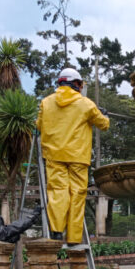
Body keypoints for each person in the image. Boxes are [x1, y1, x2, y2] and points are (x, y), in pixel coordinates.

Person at [36, 67, 109, 245]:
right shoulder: (86, 104)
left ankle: (56, 231)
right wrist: (104, 114)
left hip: (54, 155)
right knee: (77, 194)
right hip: (78, 157)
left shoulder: (46, 102)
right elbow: (104, 124)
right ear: (76, 84)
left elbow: (38, 125)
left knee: (57, 192)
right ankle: (74, 238)